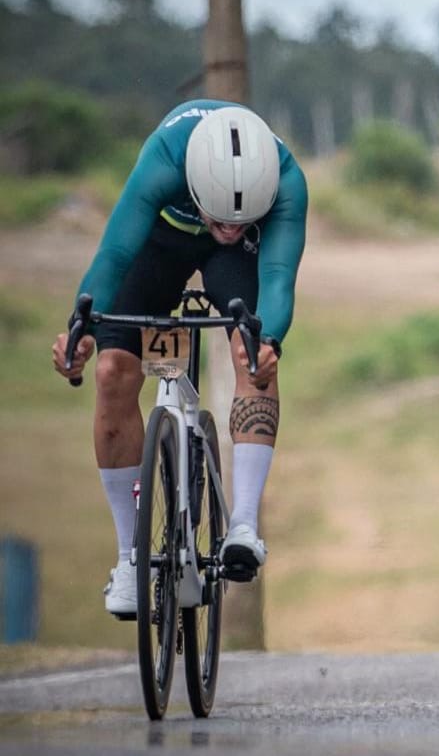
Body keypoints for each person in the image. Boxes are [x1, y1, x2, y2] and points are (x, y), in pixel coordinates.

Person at [52, 101, 307, 617]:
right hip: (158, 243)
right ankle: (130, 558)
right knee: (111, 369)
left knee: (251, 352)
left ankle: (244, 527)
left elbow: (278, 277)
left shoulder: (284, 180)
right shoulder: (165, 158)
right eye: (220, 217)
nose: (230, 225)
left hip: (238, 263)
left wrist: (269, 340)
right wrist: (80, 329)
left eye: (240, 218)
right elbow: (115, 256)